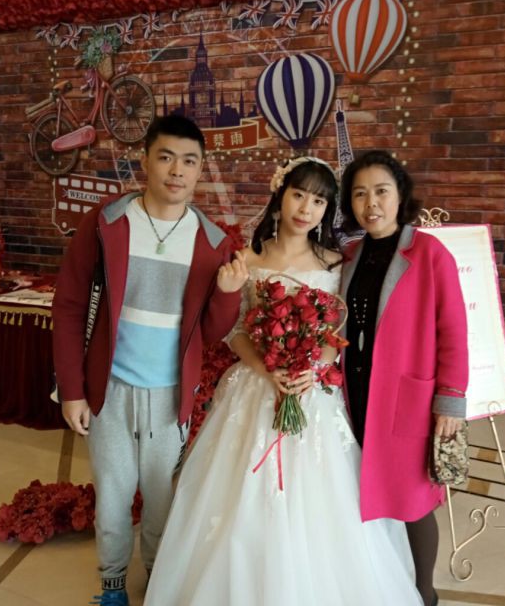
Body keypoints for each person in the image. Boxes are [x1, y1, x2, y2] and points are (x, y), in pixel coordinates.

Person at [144, 157, 422, 606]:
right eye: (298, 195)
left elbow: (337, 330)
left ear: (327, 210)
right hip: (256, 387)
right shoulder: (248, 258)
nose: (306, 209)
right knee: (240, 495)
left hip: (312, 391)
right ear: (280, 197)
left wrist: (313, 368)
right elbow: (235, 330)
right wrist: (266, 368)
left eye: (319, 201)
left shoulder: (335, 262)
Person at [52, 115, 246, 606]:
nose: (177, 171)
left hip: (169, 397)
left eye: (189, 161)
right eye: (166, 157)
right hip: (109, 391)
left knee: (162, 500)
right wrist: (72, 390)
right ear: (145, 161)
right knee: (113, 499)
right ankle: (113, 586)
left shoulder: (211, 242)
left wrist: (228, 295)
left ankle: (159, 582)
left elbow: (211, 333)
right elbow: (70, 305)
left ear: (200, 170)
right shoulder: (107, 223)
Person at [339, 150, 469, 606]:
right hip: (355, 389)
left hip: (406, 396)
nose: (370, 203)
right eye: (359, 194)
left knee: (414, 501)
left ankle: (424, 594)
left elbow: (454, 330)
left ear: (400, 196)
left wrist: (451, 399)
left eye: (381, 191)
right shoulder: (350, 255)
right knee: (363, 490)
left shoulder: (429, 253)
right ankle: (379, 583)